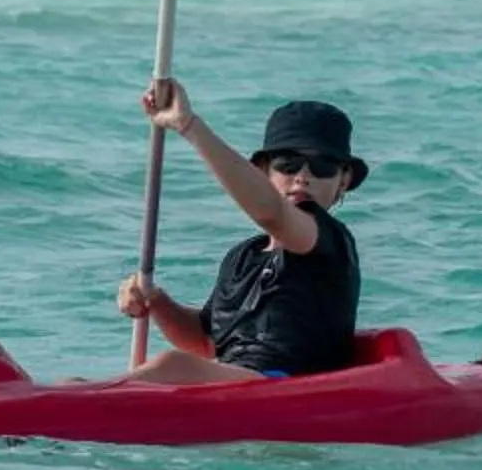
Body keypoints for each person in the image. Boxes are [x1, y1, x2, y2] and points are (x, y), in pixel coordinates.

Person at [106, 83, 365, 384]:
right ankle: (73, 398)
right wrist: (156, 301)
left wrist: (189, 125)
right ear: (264, 170)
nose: (302, 177)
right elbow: (205, 342)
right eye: (288, 163)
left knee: (173, 366)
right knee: (75, 383)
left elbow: (272, 214)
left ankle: (87, 401)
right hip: (236, 383)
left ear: (344, 180)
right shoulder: (243, 257)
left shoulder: (329, 241)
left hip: (290, 390)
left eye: (321, 166)